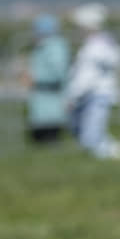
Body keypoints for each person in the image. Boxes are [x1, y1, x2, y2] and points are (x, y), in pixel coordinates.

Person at [65, 3, 120, 160]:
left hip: (94, 93)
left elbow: (85, 76)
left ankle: (114, 153)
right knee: (91, 131)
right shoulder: (107, 43)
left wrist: (72, 96)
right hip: (101, 92)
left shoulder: (93, 48)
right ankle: (109, 153)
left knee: (90, 135)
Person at [23, 14, 71, 144]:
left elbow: (58, 73)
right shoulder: (42, 46)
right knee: (40, 134)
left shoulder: (55, 47)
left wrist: (35, 78)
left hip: (51, 95)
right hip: (42, 97)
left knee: (50, 135)